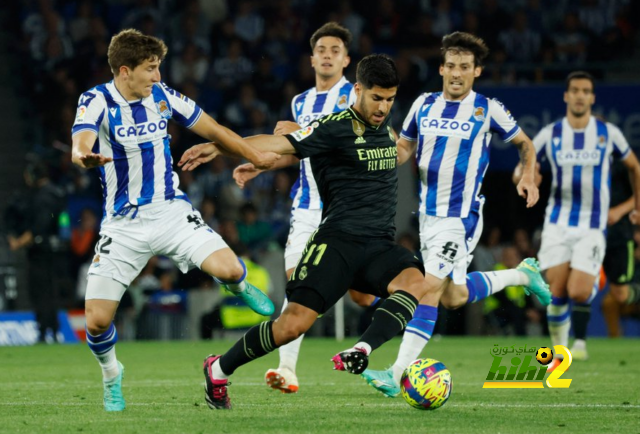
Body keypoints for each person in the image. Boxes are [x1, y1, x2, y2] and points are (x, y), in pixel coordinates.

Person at [179, 54, 431, 410]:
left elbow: (400, 151)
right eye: (376, 98)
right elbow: (278, 143)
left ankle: (362, 349)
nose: (382, 107)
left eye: (389, 100)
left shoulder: (385, 131)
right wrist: (219, 146)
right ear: (357, 90)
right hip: (336, 244)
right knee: (291, 326)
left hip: (377, 246)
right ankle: (218, 369)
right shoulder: (334, 127)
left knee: (416, 281)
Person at [70, 29, 279, 412]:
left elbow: (214, 129)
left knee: (231, 270)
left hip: (171, 212)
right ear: (124, 70)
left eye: (159, 68)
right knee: (97, 322)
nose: (158, 77)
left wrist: (256, 156)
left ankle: (237, 285)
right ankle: (112, 375)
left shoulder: (163, 97)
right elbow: (80, 140)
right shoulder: (97, 100)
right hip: (123, 225)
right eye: (151, 69)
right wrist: (84, 155)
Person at [362, 31, 551, 397]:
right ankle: (522, 275)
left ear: (476, 71)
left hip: (460, 218)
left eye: (465, 67)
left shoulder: (487, 107)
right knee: (454, 296)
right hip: (428, 217)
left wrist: (528, 174)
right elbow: (403, 148)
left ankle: (396, 372)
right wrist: (378, 161)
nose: (457, 73)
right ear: (441, 68)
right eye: (451, 66)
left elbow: (524, 143)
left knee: (427, 288)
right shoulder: (423, 104)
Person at [233, 22, 373, 394]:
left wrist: (303, 129)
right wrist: (262, 163)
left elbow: (351, 149)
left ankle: (390, 309)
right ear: (312, 59)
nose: (327, 55)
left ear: (346, 60)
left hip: (345, 209)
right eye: (321, 50)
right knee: (298, 288)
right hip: (308, 207)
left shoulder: (356, 98)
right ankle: (287, 370)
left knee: (363, 297)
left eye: (334, 50)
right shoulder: (301, 100)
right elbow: (299, 152)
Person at [520, 71, 640, 370]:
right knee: (557, 290)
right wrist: (526, 179)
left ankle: (578, 341)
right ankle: (560, 354)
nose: (579, 95)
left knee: (578, 291)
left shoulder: (607, 133)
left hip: (592, 227)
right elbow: (527, 162)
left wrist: (637, 204)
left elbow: (634, 167)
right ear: (566, 95)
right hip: (557, 224)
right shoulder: (551, 133)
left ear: (592, 97)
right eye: (574, 90)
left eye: (585, 90)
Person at [6, 159, 65, 343]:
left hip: (40, 250)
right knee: (51, 290)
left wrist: (19, 242)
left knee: (40, 291)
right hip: (54, 249)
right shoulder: (56, 193)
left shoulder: (42, 196)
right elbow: (59, 220)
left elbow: (40, 226)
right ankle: (53, 330)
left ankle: (44, 330)